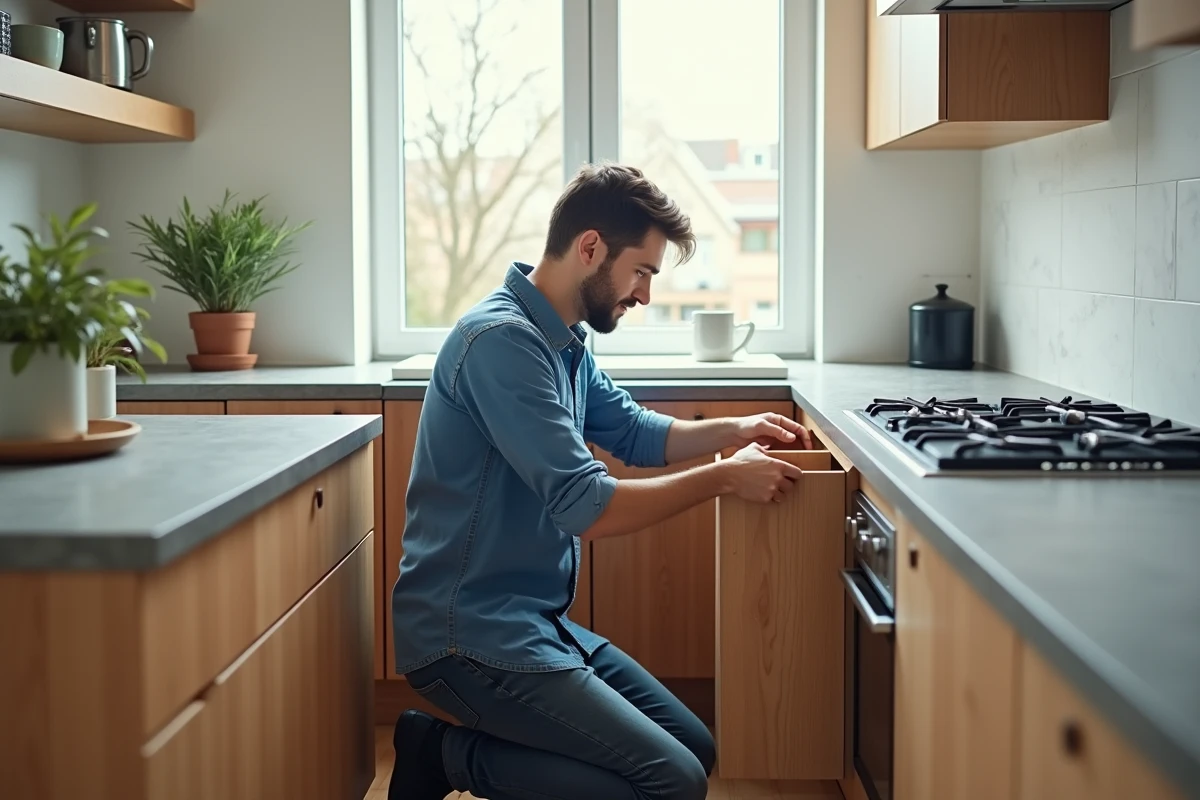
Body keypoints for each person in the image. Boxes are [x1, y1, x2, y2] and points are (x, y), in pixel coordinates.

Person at [388, 162, 812, 800]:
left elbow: (635, 432)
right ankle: (448, 757)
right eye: (641, 271)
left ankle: (448, 751)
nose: (645, 295)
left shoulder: (562, 342)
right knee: (672, 783)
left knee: (695, 750)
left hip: (531, 622)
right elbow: (586, 506)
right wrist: (725, 478)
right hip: (466, 636)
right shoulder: (502, 343)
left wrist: (736, 427)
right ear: (590, 247)